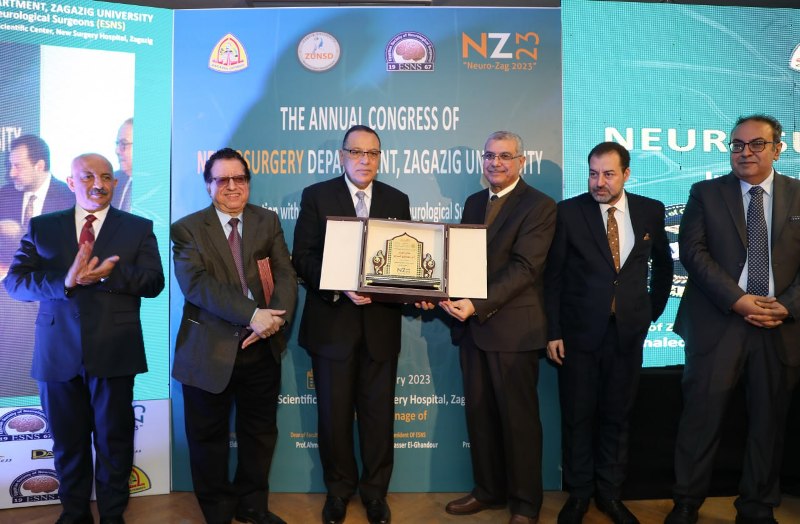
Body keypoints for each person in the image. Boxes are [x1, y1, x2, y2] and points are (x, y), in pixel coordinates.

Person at [3, 153, 164, 524]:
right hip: (57, 354)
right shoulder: (43, 226)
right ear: (71, 182)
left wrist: (107, 275)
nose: (98, 184)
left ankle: (112, 515)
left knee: (114, 443)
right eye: (88, 176)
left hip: (115, 352)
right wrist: (66, 281)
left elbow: (154, 282)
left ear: (115, 183)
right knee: (67, 444)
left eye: (106, 177)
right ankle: (74, 514)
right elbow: (15, 283)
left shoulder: (137, 227)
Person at [666, 114, 800, 524]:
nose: (746, 152)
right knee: (701, 419)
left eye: (757, 144)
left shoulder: (799, 194)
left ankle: (757, 506)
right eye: (738, 145)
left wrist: (788, 305)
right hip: (717, 323)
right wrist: (738, 300)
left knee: (769, 423)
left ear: (778, 149)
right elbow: (693, 253)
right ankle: (686, 503)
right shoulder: (705, 193)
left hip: (779, 326)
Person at [424, 131, 556, 524]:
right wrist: (438, 291)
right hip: (473, 331)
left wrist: (475, 304)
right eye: (489, 156)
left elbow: (525, 268)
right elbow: (465, 262)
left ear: (521, 161)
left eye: (504, 156)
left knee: (518, 422)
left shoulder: (540, 205)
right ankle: (488, 490)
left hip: (513, 332)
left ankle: (526, 504)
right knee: (480, 417)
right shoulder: (474, 202)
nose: (495, 163)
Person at [544, 142, 673, 524]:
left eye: (608, 174)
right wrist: (554, 331)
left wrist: (649, 313)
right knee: (578, 417)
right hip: (579, 336)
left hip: (627, 335)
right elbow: (552, 278)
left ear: (626, 174)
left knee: (618, 417)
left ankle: (610, 495)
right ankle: (579, 494)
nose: (599, 182)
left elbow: (664, 267)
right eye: (593, 173)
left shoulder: (651, 210)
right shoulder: (569, 213)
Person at [292, 125, 410, 524]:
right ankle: (339, 491)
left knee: (379, 418)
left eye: (372, 153)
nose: (364, 160)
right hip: (332, 327)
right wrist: (339, 285)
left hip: (381, 328)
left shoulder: (396, 199)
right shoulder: (317, 196)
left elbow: (404, 266)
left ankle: (375, 494)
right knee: (334, 417)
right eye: (356, 152)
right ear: (342, 156)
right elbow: (302, 257)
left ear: (380, 158)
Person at [171, 148, 297, 524]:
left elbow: (285, 274)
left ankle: (252, 506)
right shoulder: (187, 229)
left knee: (259, 434)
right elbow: (197, 285)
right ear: (208, 185)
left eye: (239, 178)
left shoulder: (267, 221)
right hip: (208, 351)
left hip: (262, 346)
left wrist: (273, 320)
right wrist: (253, 315)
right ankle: (218, 511)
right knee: (207, 439)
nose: (231, 186)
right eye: (222, 179)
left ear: (248, 183)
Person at [0, 134, 74, 226]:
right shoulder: (5, 195)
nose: (12, 173)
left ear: (39, 166)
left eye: (18, 166)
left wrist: (20, 233)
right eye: (11, 165)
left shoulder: (69, 198)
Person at [112, 118, 133, 212]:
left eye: (123, 144)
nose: (117, 151)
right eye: (117, 144)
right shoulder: (111, 183)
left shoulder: (161, 186)